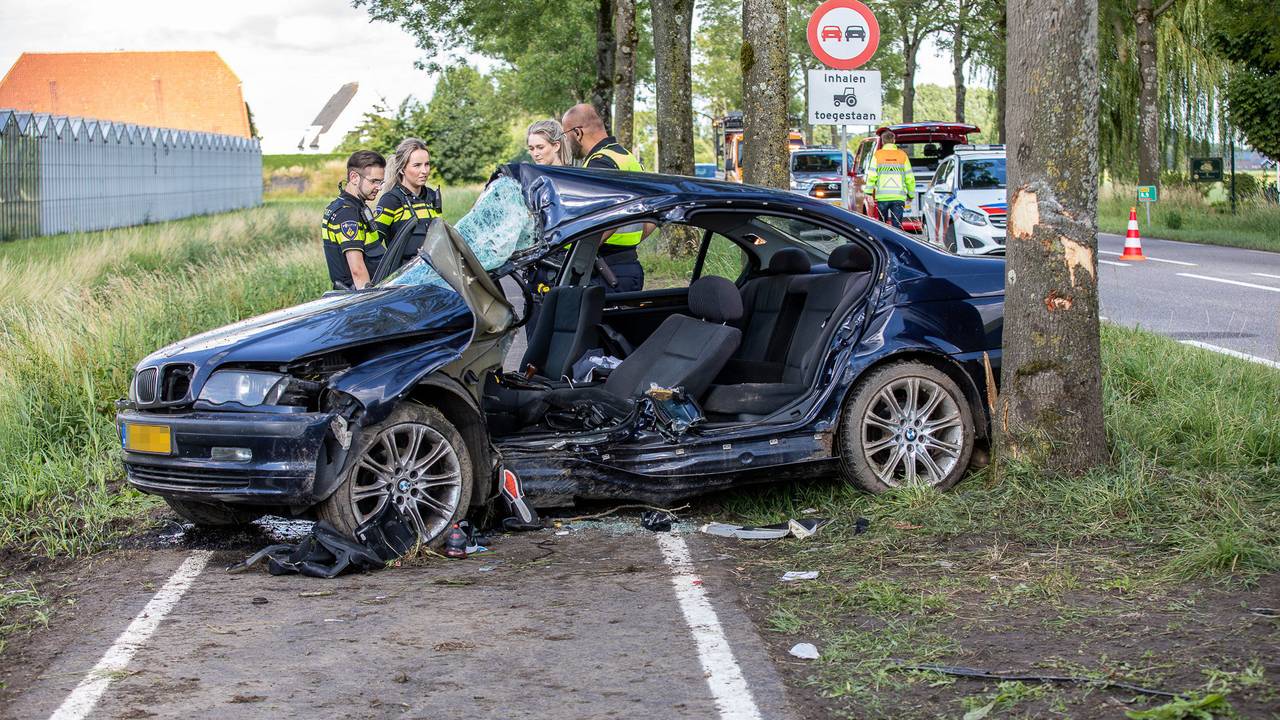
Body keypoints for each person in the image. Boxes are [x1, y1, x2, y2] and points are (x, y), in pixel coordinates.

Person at [561, 103, 651, 293]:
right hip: (628, 266)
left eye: (565, 135)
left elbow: (608, 219)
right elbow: (653, 216)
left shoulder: (599, 163)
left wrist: (579, 254)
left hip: (605, 273)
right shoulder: (626, 157)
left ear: (577, 133)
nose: (565, 142)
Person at [374, 138, 441, 277]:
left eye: (427, 164)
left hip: (434, 276)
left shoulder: (432, 196)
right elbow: (372, 247)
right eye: (417, 165)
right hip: (404, 281)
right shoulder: (391, 201)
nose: (424, 171)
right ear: (402, 169)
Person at [323, 150, 385, 290]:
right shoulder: (347, 214)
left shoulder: (358, 207)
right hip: (359, 296)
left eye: (381, 182)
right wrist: (370, 302)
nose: (379, 187)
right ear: (354, 177)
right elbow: (357, 270)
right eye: (374, 181)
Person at [866, 130, 915, 230]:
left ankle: (883, 244)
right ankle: (896, 245)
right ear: (894, 140)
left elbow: (871, 175)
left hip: (882, 197)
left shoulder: (877, 155)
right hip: (898, 197)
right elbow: (909, 177)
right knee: (897, 226)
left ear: (883, 141)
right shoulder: (902, 155)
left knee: (882, 226)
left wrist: (869, 193)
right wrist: (911, 194)